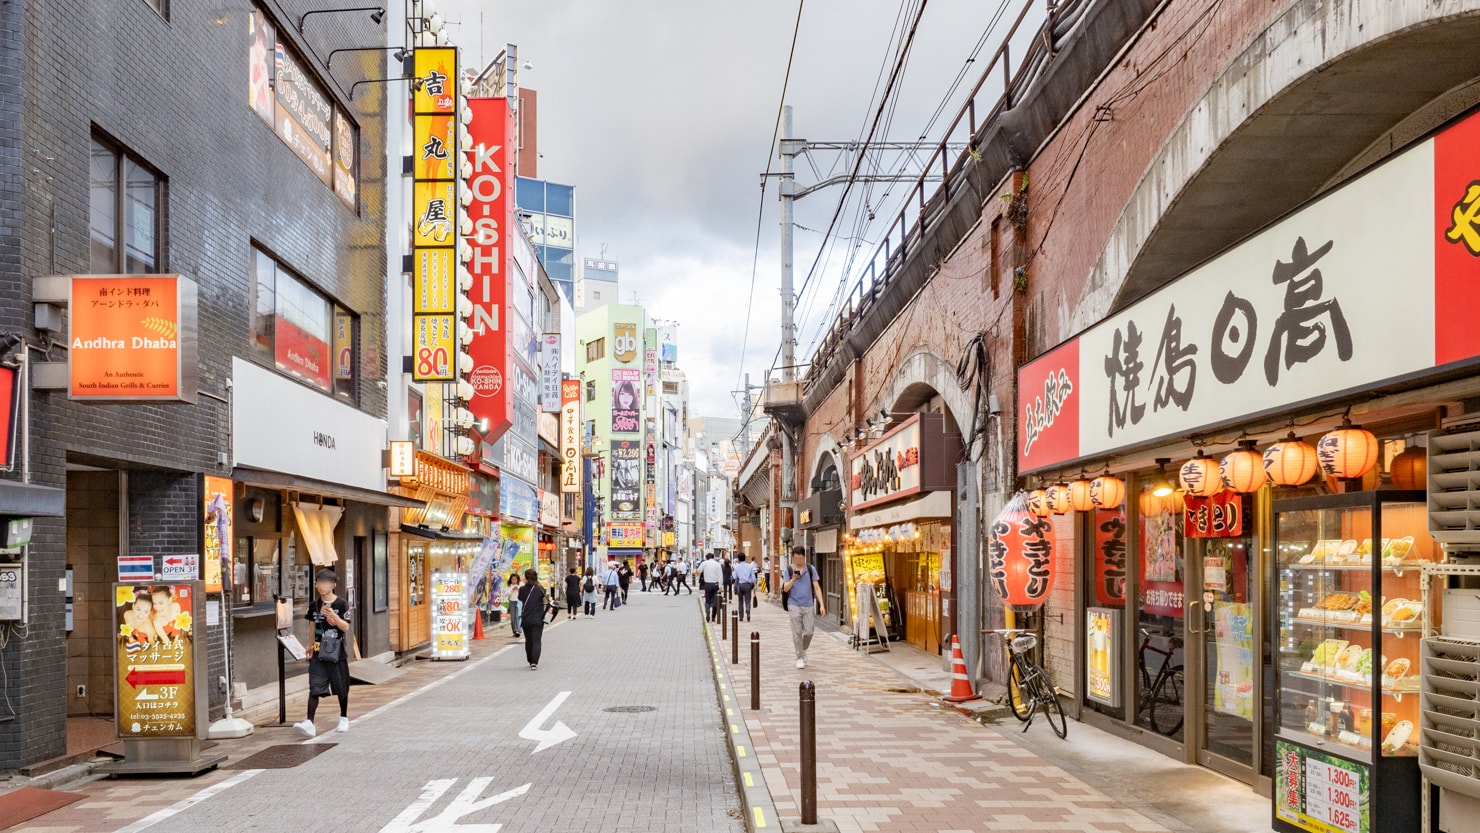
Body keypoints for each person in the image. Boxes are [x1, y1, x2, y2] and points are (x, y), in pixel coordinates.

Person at [295, 569, 352, 736]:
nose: (322, 586)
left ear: (333, 585)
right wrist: (309, 645)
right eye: (319, 582)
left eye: (326, 583)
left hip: (336, 651)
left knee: (341, 686)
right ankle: (309, 723)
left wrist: (333, 615)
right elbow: (312, 626)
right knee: (315, 685)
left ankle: (343, 717)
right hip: (319, 651)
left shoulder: (341, 604)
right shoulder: (314, 605)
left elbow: (345, 627)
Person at [782, 546, 825, 669]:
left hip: (808, 604)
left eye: (800, 558)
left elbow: (816, 587)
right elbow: (785, 588)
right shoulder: (789, 570)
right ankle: (799, 657)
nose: (798, 560)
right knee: (796, 633)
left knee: (809, 632)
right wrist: (793, 579)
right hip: (793, 604)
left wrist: (821, 604)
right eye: (796, 558)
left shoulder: (811, 569)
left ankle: (803, 648)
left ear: (804, 557)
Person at [518, 569, 546, 670]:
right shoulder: (540, 588)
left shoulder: (522, 589)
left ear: (526, 578)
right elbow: (546, 598)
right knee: (537, 640)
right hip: (538, 618)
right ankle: (534, 662)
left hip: (526, 619)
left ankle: (530, 660)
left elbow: (520, 598)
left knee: (528, 640)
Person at [698, 553, 725, 622]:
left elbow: (698, 572)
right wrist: (720, 586)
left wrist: (697, 575)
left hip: (707, 584)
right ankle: (713, 617)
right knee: (715, 601)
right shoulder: (717, 564)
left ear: (707, 558)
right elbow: (720, 576)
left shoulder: (704, 563)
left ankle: (707, 610)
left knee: (707, 600)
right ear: (713, 557)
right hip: (715, 584)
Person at [732, 553, 758, 622]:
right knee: (748, 600)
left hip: (740, 585)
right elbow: (753, 577)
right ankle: (748, 611)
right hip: (748, 585)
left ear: (738, 559)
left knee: (740, 600)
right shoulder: (749, 566)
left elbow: (734, 577)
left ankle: (741, 616)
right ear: (745, 558)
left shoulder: (736, 567)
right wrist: (755, 585)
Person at [505, 573, 523, 639]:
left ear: (518, 579)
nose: (514, 581)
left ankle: (517, 630)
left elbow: (523, 592)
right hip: (512, 602)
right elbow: (507, 594)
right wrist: (512, 590)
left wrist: (518, 589)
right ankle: (514, 631)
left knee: (518, 616)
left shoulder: (521, 584)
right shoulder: (509, 586)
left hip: (519, 602)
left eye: (515, 579)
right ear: (510, 580)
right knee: (513, 618)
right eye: (513, 579)